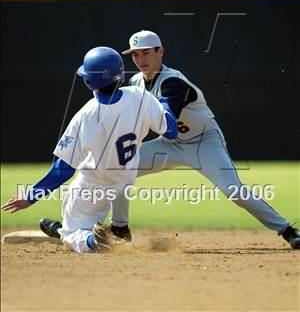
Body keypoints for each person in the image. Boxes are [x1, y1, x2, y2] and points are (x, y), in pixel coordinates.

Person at [30, 30, 300, 250]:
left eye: (147, 52)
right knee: (118, 168)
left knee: (234, 191)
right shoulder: (135, 82)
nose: (141, 59)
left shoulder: (173, 82)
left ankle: (287, 229)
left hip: (202, 142)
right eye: (135, 54)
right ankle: (120, 230)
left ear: (161, 51)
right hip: (168, 146)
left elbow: (167, 124)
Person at [1, 46, 178, 253]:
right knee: (74, 217)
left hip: (94, 184)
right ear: (119, 75)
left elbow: (64, 169)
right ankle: (75, 230)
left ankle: (93, 241)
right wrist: (163, 102)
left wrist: (31, 196)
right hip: (124, 178)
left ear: (88, 81)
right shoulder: (140, 96)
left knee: (70, 237)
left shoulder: (85, 115)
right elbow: (171, 131)